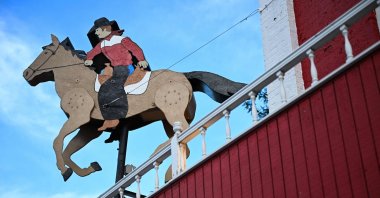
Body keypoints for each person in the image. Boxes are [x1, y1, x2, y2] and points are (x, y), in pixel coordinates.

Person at [84, 17, 149, 131]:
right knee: (103, 88)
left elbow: (135, 49)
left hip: (125, 67)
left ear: (105, 29)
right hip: (115, 69)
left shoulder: (120, 39)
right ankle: (109, 118)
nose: (96, 33)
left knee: (111, 86)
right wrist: (89, 58)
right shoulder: (102, 44)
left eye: (98, 30)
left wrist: (141, 59)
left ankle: (116, 116)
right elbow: (92, 52)